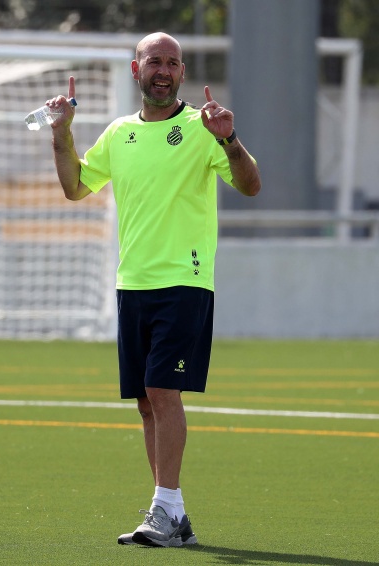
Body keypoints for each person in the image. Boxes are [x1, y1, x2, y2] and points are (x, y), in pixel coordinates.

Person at [47, 32, 262, 548]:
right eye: (154, 62)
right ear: (136, 69)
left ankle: (164, 509)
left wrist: (230, 140)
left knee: (163, 390)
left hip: (185, 280)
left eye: (172, 63)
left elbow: (251, 185)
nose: (163, 70)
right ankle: (173, 516)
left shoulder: (203, 128)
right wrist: (61, 135)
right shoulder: (119, 133)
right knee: (146, 401)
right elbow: (75, 187)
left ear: (182, 73)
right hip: (133, 283)